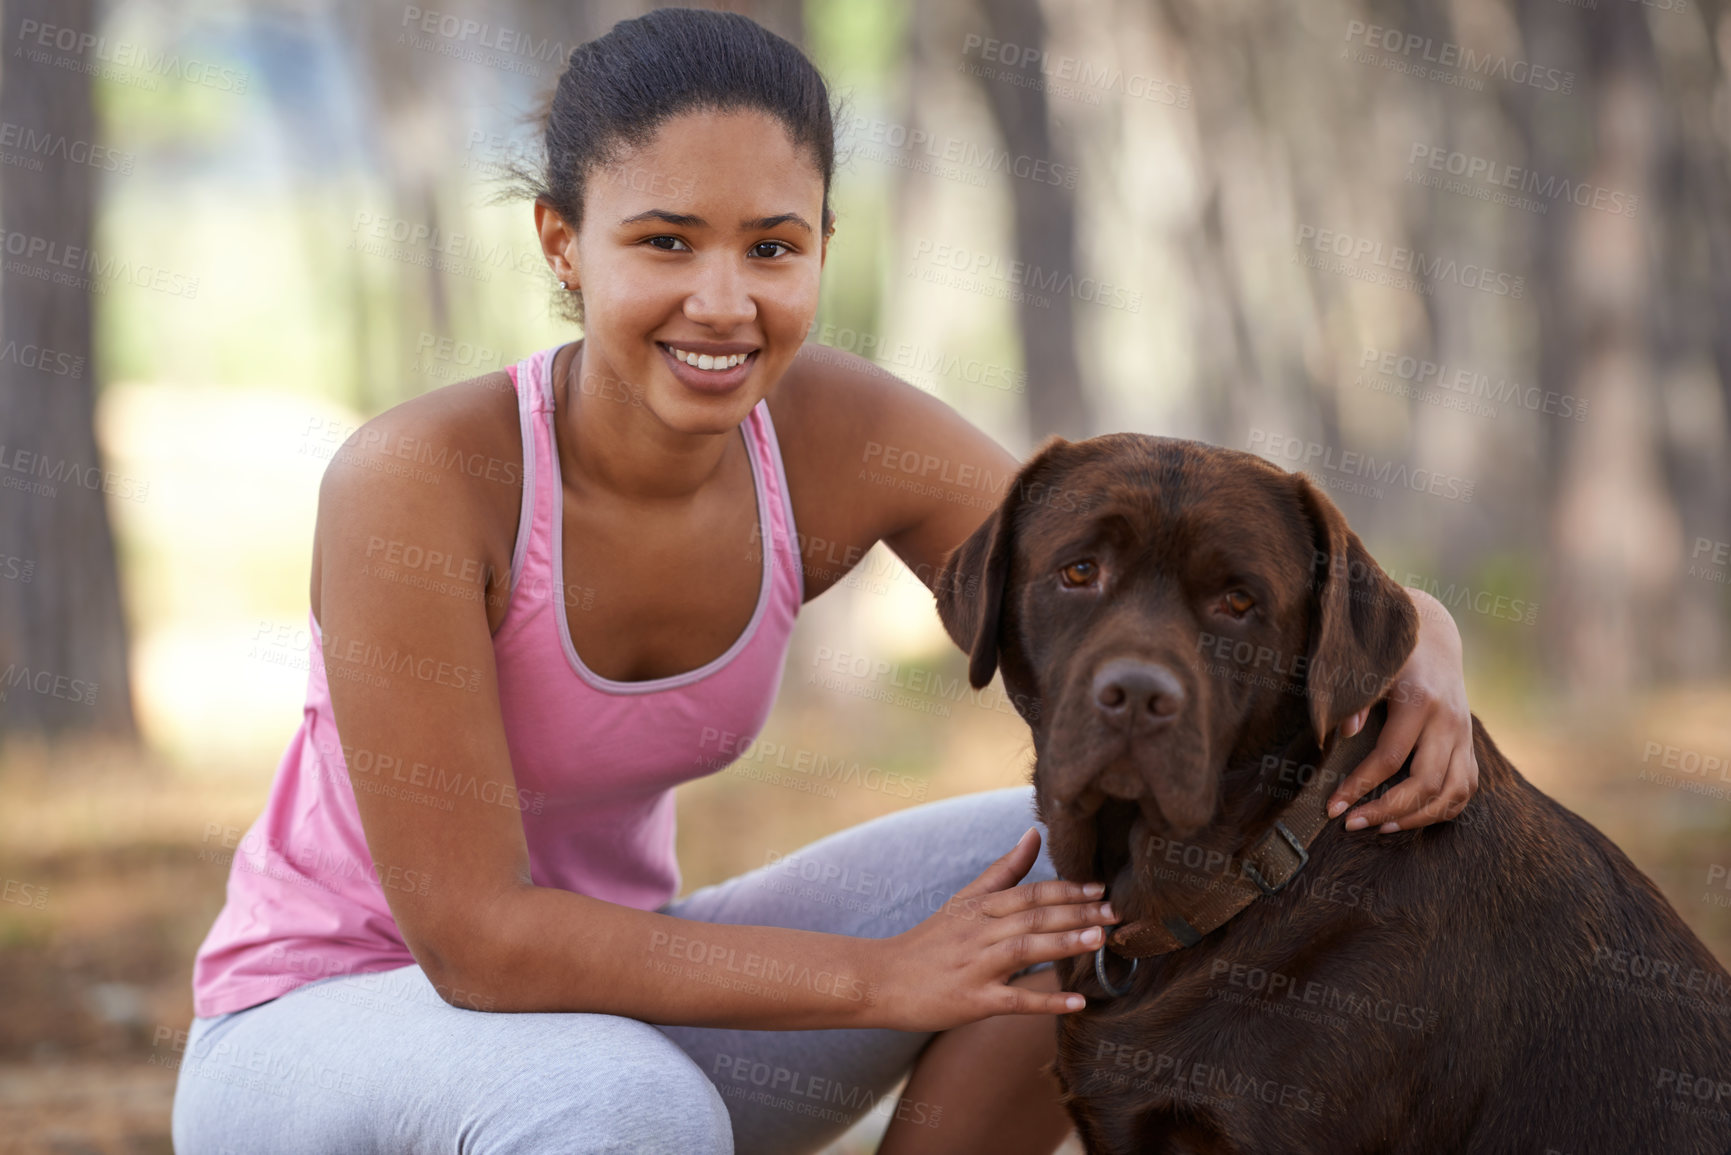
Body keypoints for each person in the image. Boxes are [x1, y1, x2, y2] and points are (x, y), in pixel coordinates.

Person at [170, 9, 1480, 1153]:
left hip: (624, 999)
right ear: (564, 244)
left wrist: (1414, 625)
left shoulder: (838, 433)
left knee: (1083, 876)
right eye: (667, 243)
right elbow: (476, 942)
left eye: (774, 248)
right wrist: (880, 980)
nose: (725, 303)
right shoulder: (420, 478)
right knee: (625, 1109)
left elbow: (1117, 553)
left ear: (822, 249)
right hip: (324, 1024)